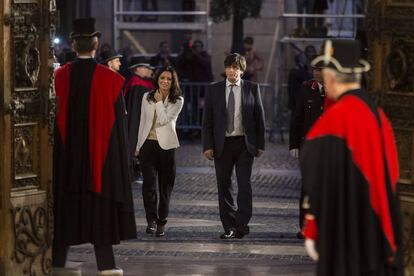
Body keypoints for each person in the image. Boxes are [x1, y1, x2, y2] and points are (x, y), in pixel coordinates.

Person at [300, 40, 403, 275]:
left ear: (332, 77)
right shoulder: (377, 115)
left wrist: (313, 228)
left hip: (346, 236)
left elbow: (316, 178)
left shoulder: (336, 120)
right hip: (379, 232)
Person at [52, 18, 136, 276]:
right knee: (99, 213)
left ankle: (56, 261)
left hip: (66, 164)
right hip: (101, 163)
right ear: (96, 44)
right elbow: (118, 131)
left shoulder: (60, 77)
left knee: (65, 213)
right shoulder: (110, 80)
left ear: (73, 44)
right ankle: (106, 264)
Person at [202, 53, 266, 239]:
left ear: (242, 70)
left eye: (235, 67)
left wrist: (259, 144)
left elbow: (259, 118)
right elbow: (207, 121)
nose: (231, 70)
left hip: (244, 144)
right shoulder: (214, 89)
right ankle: (228, 226)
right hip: (222, 144)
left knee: (244, 185)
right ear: (225, 69)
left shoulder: (252, 89)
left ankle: (242, 224)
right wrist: (207, 145)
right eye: (229, 67)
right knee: (224, 185)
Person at [135, 66, 184, 237]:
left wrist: (158, 102)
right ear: (157, 79)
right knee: (148, 185)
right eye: (162, 78)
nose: (165, 81)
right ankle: (151, 221)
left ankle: (162, 220)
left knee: (165, 188)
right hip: (148, 145)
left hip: (167, 147)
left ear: (173, 82)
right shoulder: (146, 97)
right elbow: (142, 121)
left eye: (169, 79)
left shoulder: (177, 100)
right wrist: (138, 146)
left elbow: (163, 120)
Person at [289, 59, 333, 239]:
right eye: (315, 69)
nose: (316, 73)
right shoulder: (307, 88)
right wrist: (294, 145)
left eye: (320, 70)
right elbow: (297, 118)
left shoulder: (336, 91)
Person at [124, 56, 155, 181]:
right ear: (137, 69)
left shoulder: (141, 83)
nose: (148, 70)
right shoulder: (137, 85)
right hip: (137, 121)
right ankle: (136, 171)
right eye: (145, 68)